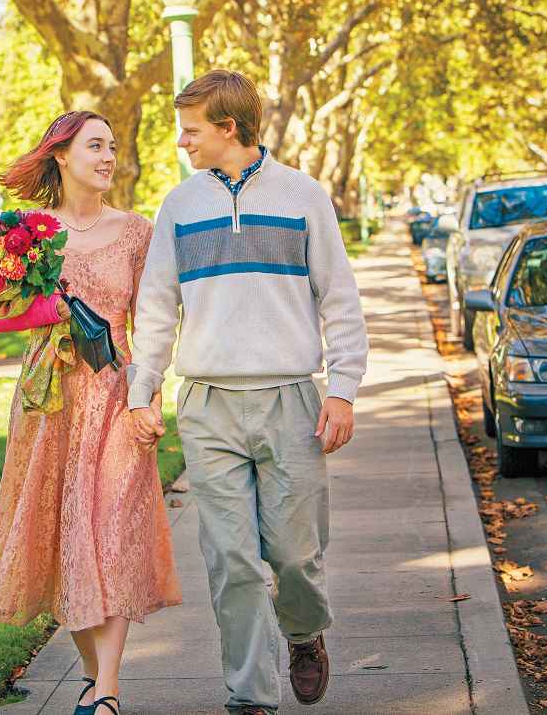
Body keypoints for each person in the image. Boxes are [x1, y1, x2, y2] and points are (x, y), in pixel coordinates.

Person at [128, 71, 369, 714]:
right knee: (231, 560)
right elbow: (155, 308)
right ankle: (249, 696)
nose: (183, 142)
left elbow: (339, 299)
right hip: (207, 405)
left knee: (294, 555)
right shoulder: (179, 206)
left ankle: (304, 632)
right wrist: (141, 393)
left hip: (292, 399)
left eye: (191, 129)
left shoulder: (303, 196)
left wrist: (341, 390)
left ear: (227, 129)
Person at [0, 110, 181, 715]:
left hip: (115, 395)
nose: (109, 156)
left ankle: (108, 691)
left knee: (111, 531)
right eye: (96, 146)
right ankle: (94, 680)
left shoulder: (138, 232)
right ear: (61, 155)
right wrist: (37, 315)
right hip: (50, 403)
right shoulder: (30, 234)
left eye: (112, 146)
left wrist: (149, 397)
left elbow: (156, 326)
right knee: (64, 539)